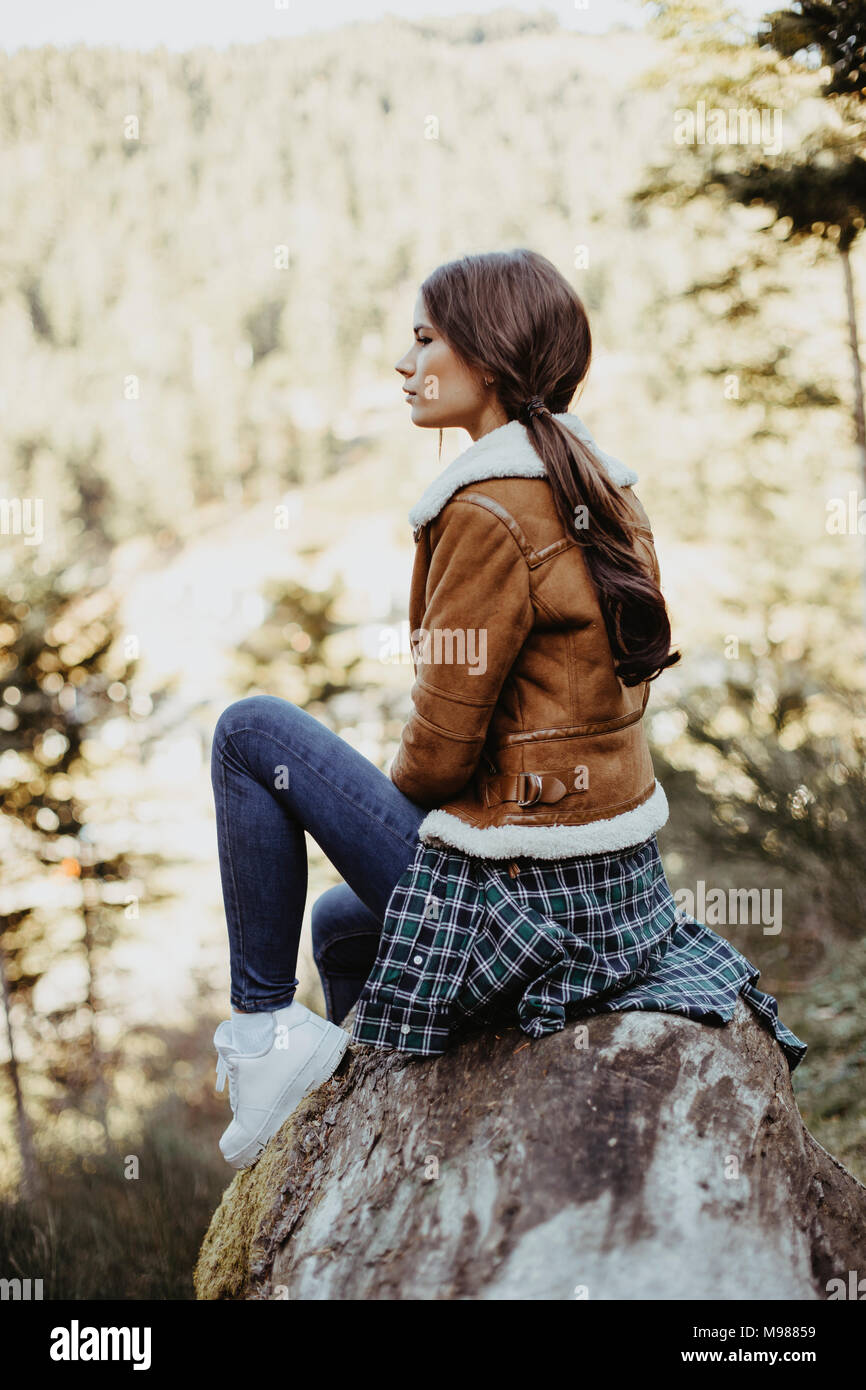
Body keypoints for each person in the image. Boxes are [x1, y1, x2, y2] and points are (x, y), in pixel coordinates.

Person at [210, 247, 806, 1171]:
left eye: (423, 340)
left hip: (531, 902)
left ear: (485, 359)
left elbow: (442, 756)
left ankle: (258, 1043)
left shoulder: (487, 508)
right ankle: (373, 1077)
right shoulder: (600, 485)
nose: (404, 366)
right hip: (616, 897)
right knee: (337, 922)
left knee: (249, 731)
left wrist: (379, 795)